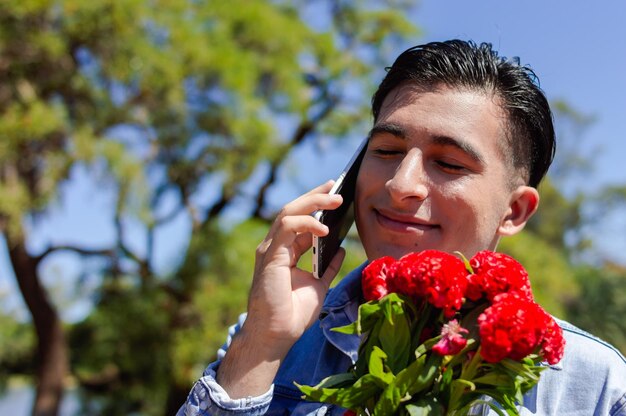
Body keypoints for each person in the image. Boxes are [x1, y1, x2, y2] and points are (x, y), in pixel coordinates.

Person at [178, 40, 626, 415]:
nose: (400, 185)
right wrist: (261, 344)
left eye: (448, 163)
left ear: (515, 211)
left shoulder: (597, 387)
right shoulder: (270, 336)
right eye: (387, 150)